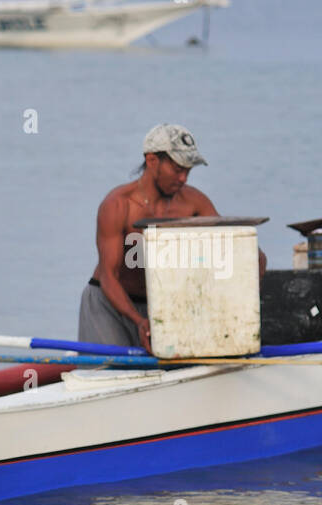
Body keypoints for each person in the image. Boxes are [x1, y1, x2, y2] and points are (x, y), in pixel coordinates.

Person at [79, 124, 266, 352]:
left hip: (160, 306)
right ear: (152, 161)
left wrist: (231, 302)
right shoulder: (118, 204)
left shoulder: (195, 203)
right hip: (109, 304)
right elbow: (110, 275)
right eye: (177, 169)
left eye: (188, 170)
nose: (183, 178)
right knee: (107, 374)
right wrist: (139, 322)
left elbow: (242, 252)